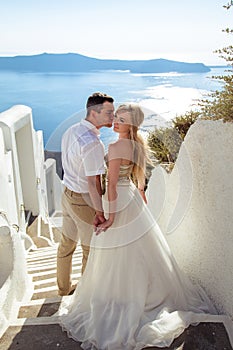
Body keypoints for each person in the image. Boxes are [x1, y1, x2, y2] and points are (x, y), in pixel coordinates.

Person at [59, 104, 219, 349]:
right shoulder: (138, 146)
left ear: (131, 124)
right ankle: (143, 294)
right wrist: (140, 202)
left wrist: (110, 217)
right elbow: (140, 182)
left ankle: (120, 298)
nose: (116, 122)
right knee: (142, 254)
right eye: (117, 117)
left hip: (118, 202)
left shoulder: (114, 147)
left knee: (116, 256)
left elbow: (111, 186)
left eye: (121, 119)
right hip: (133, 199)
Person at [57, 92, 114, 296]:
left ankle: (63, 290)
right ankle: (85, 297)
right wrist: (99, 212)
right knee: (90, 251)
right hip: (83, 201)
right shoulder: (92, 143)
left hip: (67, 195)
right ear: (93, 112)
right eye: (108, 113)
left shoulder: (71, 130)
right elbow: (93, 182)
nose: (112, 117)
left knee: (66, 245)